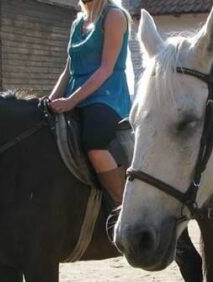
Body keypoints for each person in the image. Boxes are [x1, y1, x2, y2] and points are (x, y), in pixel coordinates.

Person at [50, 0, 131, 209]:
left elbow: (106, 68)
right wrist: (50, 100)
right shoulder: (77, 22)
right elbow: (68, 70)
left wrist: (70, 101)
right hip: (76, 94)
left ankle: (123, 206)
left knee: (93, 141)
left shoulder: (114, 16)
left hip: (106, 96)